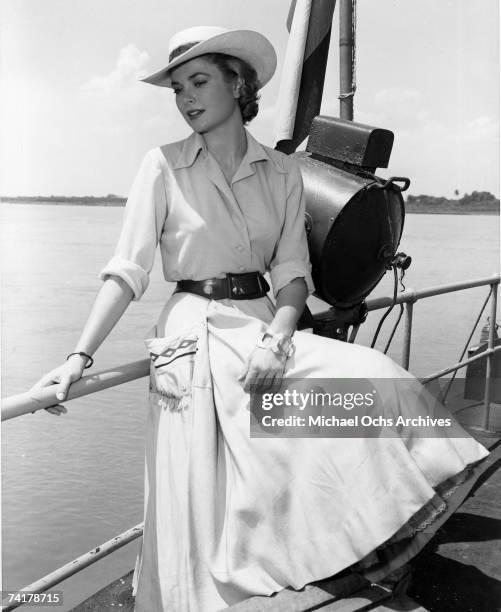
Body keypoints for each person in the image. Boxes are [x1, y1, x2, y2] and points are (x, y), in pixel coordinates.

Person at [35, 26, 489, 612]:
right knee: (197, 498)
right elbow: (127, 271)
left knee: (376, 382)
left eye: (199, 82)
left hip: (265, 325)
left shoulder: (281, 173)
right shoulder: (163, 165)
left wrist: (277, 338)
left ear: (238, 84)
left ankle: (355, 543)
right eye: (178, 89)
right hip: (192, 333)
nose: (187, 99)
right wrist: (78, 357)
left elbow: (294, 274)